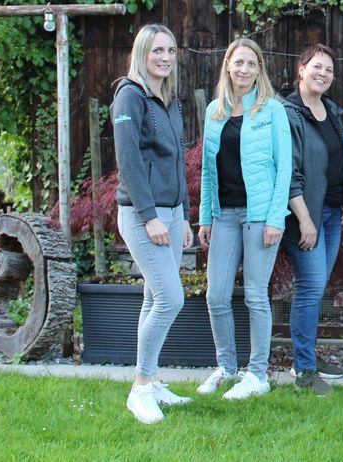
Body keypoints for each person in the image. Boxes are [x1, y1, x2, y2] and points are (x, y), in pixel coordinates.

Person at [195, 38, 292, 401]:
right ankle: (226, 367)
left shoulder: (271, 111)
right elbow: (208, 170)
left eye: (252, 64)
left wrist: (275, 220)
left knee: (255, 296)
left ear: (259, 69)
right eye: (239, 63)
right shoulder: (214, 111)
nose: (244, 70)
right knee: (216, 296)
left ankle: (257, 374)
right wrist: (205, 217)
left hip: (259, 216)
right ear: (228, 66)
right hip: (224, 216)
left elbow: (285, 170)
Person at [112, 24, 193, 424]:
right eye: (157, 50)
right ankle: (141, 388)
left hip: (172, 212)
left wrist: (184, 215)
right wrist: (149, 217)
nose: (164, 57)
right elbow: (128, 164)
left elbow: (177, 160)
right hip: (143, 213)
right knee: (169, 298)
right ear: (142, 53)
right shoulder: (130, 95)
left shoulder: (168, 99)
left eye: (171, 51)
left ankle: (153, 379)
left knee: (152, 298)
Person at [277, 44, 343, 396]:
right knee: (310, 287)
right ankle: (305, 371)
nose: (323, 74)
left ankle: (307, 357)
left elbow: (336, 162)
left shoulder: (330, 111)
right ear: (300, 69)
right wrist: (305, 220)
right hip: (304, 218)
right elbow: (289, 172)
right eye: (316, 67)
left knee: (316, 287)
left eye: (328, 69)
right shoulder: (287, 112)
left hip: (329, 214)